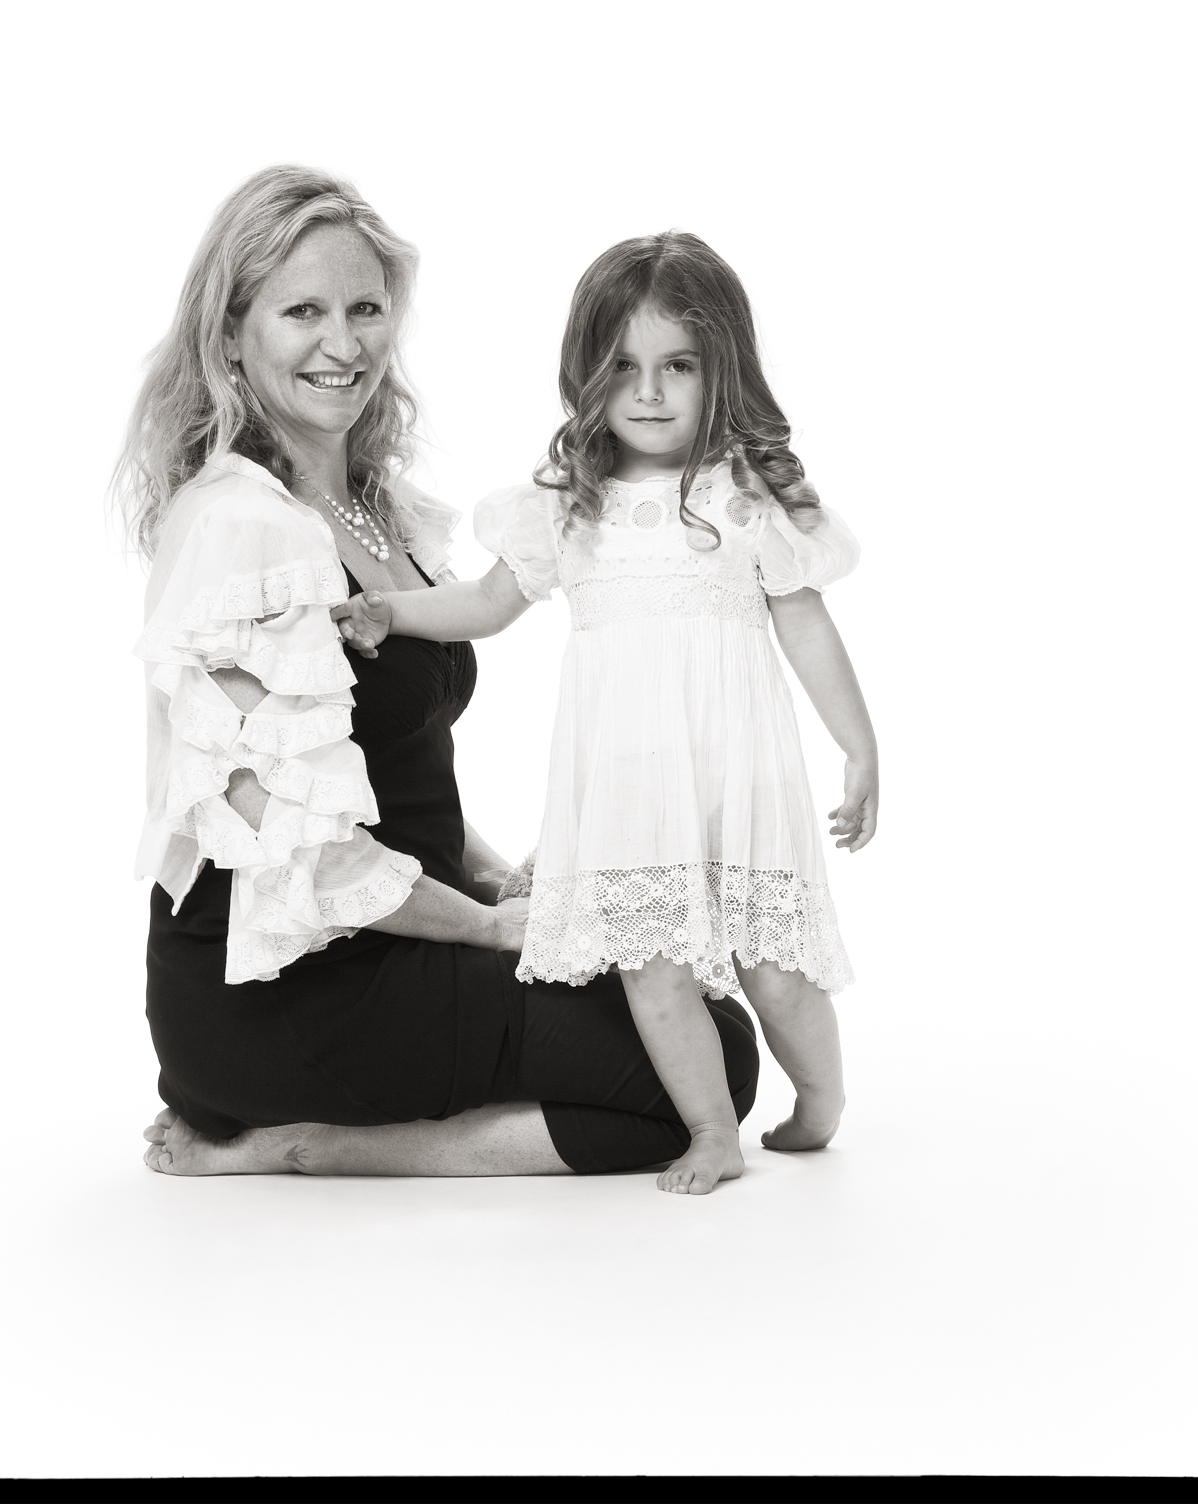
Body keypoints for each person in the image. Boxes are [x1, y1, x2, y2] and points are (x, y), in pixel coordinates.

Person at [120, 170, 758, 1177]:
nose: (344, 344)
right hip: (287, 988)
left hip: (404, 933)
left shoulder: (383, 512)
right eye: (302, 312)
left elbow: (395, 770)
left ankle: (338, 1128)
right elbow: (305, 848)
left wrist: (503, 880)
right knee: (703, 1074)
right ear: (231, 333)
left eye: (365, 309)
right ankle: (313, 1145)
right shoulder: (241, 525)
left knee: (700, 1025)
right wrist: (493, 929)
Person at [331, 231, 877, 1195]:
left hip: (738, 774)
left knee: (774, 968)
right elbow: (488, 604)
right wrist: (392, 610)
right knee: (649, 967)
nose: (649, 393)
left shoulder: (745, 497)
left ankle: (821, 1101)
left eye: (678, 366)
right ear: (586, 373)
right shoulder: (568, 504)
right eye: (622, 367)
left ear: (722, 367)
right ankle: (711, 1131)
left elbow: (805, 625)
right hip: (626, 786)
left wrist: (858, 747)